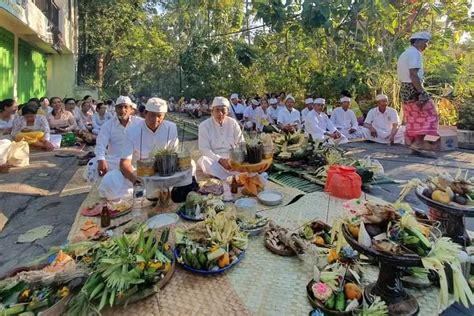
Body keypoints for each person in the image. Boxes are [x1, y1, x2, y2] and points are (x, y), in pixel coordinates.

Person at [119, 97, 178, 185]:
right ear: (145, 113)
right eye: (152, 115)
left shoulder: (171, 128)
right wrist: (135, 180)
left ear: (164, 115)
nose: (155, 120)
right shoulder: (131, 131)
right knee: (112, 180)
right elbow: (124, 163)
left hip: (164, 171)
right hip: (139, 172)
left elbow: (174, 155)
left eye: (159, 116)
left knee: (191, 164)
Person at [397, 31, 438, 150]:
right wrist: (421, 92)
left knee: (413, 115)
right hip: (413, 87)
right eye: (426, 42)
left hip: (405, 88)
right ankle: (418, 142)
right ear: (418, 41)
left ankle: (414, 142)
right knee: (430, 114)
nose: (426, 45)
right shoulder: (415, 54)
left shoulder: (405, 53)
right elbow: (413, 74)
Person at [198, 96, 244, 180]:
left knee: (248, 162)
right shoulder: (204, 125)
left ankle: (228, 177)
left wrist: (235, 160)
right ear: (212, 111)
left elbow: (241, 143)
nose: (220, 113)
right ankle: (231, 178)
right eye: (217, 110)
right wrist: (220, 160)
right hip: (215, 160)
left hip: (232, 159)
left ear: (228, 111)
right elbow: (204, 149)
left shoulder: (233, 123)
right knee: (203, 160)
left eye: (223, 110)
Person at [95, 96, 143, 175]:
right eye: (119, 107)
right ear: (115, 109)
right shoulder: (108, 125)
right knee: (94, 165)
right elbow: (101, 143)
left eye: (125, 107)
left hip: (136, 160)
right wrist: (101, 160)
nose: (122, 110)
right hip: (116, 160)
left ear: (131, 109)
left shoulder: (140, 123)